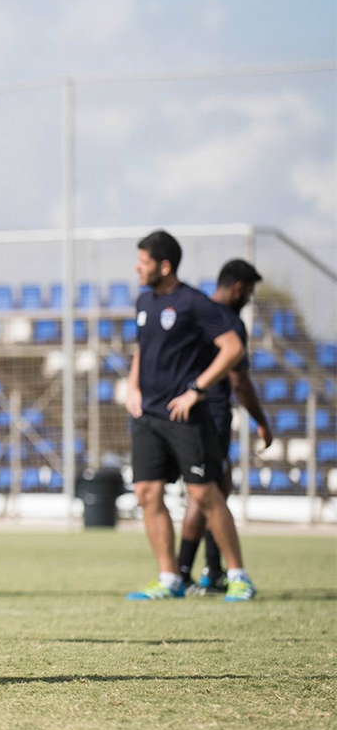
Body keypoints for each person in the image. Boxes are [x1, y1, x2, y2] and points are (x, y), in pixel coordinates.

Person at [124, 230, 256, 602]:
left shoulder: (194, 303)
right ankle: (169, 579)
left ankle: (238, 575)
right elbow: (142, 349)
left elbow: (232, 348)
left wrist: (196, 389)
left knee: (204, 493)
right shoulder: (143, 301)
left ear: (164, 266)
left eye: (143, 262)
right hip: (147, 415)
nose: (137, 267)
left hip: (184, 417)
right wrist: (133, 387)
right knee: (147, 494)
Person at [176, 259, 272, 595]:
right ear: (239, 288)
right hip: (213, 415)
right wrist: (261, 420)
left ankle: (199, 572)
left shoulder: (197, 312)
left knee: (207, 490)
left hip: (186, 411)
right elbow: (239, 381)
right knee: (210, 493)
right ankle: (195, 573)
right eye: (248, 290)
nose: (248, 297)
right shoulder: (229, 321)